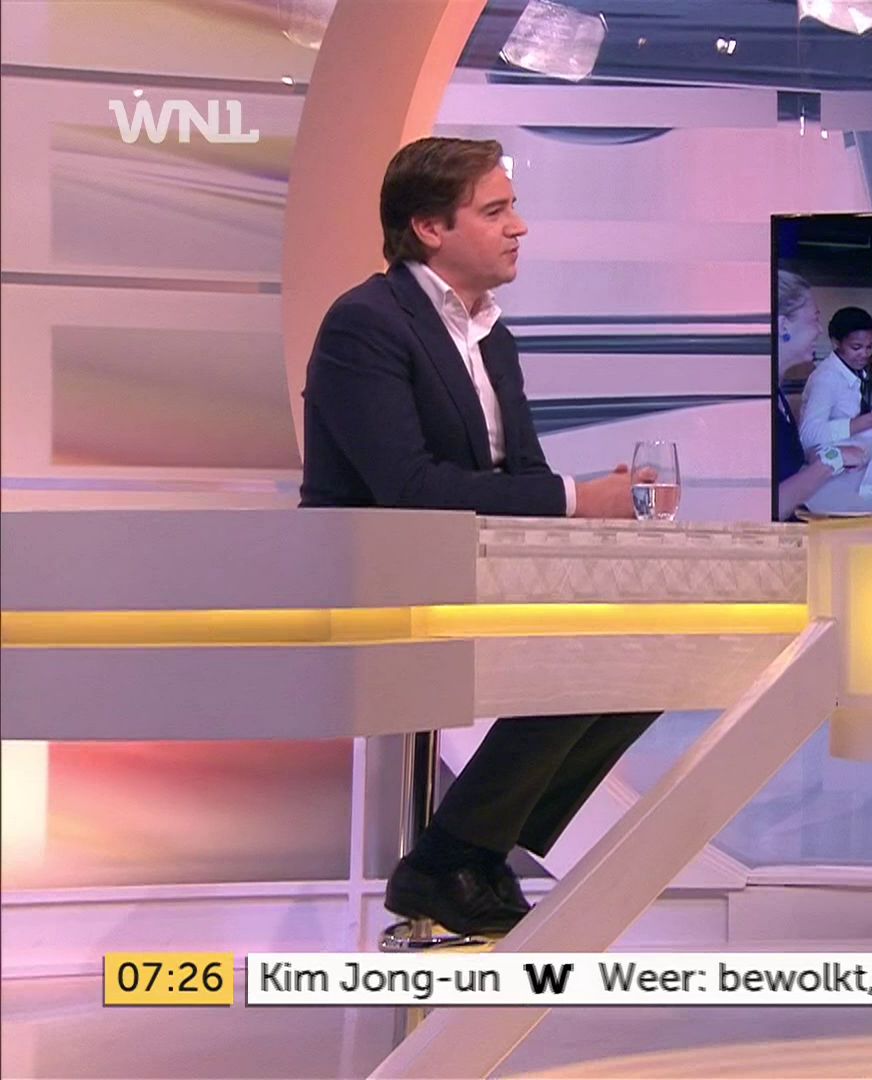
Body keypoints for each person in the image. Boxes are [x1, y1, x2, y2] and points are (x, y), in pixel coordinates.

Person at [301, 137, 660, 937]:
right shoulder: (365, 323)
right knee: (593, 646)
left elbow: (521, 476)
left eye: (512, 209)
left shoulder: (491, 334)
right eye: (495, 211)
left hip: (471, 571)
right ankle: (456, 857)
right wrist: (579, 498)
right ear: (430, 228)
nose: (518, 227)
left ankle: (470, 852)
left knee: (654, 643)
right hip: (376, 581)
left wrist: (593, 505)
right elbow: (409, 488)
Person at [774, 271, 870, 520]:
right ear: (783, 326)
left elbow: (788, 460)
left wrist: (817, 456)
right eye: (814, 319)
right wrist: (832, 460)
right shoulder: (756, 401)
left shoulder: (777, 393)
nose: (818, 330)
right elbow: (769, 507)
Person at [797, 306, 872, 454]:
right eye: (856, 347)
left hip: (851, 448)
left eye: (869, 347)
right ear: (836, 343)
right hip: (827, 458)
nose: (864, 354)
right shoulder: (826, 378)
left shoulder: (854, 371)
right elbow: (808, 436)